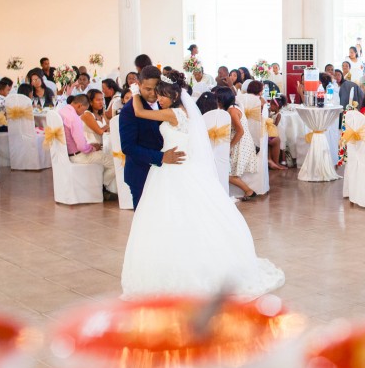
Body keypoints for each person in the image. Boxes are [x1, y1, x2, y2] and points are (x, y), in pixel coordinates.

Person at [120, 75, 284, 299]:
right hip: (173, 167)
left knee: (175, 217)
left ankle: (180, 267)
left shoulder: (174, 113)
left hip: (173, 168)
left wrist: (135, 91)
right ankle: (173, 262)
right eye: (155, 93)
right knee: (179, 217)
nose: (157, 98)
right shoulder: (183, 113)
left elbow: (140, 113)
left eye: (161, 94)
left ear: (175, 96)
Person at [119, 65, 187, 205]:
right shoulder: (129, 110)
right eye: (147, 89)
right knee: (145, 219)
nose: (152, 94)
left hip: (169, 172)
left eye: (155, 89)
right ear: (139, 85)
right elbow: (128, 147)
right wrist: (161, 157)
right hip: (141, 172)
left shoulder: (168, 105)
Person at [61, 93, 116, 198]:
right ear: (79, 106)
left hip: (68, 153)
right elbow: (82, 147)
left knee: (103, 157)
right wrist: (92, 147)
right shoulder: (74, 118)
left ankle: (98, 187)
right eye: (82, 111)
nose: (82, 114)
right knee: (115, 162)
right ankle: (100, 188)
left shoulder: (62, 111)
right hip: (78, 156)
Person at [212, 87, 258, 201]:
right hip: (239, 141)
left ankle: (248, 191)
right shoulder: (232, 108)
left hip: (241, 143)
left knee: (226, 172)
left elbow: (240, 131)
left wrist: (230, 146)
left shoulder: (232, 111)